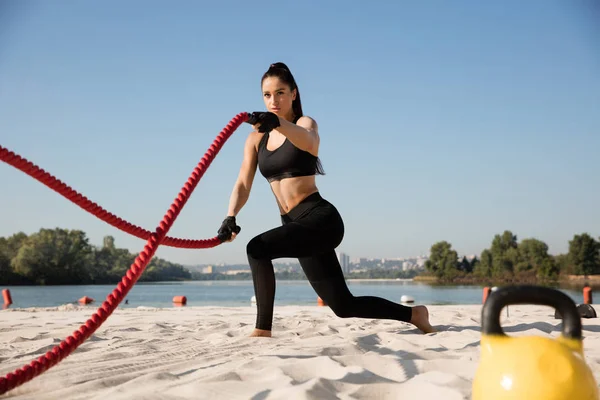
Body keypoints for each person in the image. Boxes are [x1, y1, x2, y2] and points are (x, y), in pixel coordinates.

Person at [217, 62, 435, 337]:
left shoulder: (304, 124)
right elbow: (242, 183)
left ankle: (262, 331)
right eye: (267, 95)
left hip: (321, 220)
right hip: (295, 226)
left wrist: (279, 124)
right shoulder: (254, 139)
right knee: (343, 305)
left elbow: (310, 142)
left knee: (256, 248)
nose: (274, 100)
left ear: (294, 93)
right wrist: (230, 215)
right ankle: (415, 314)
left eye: (281, 92)